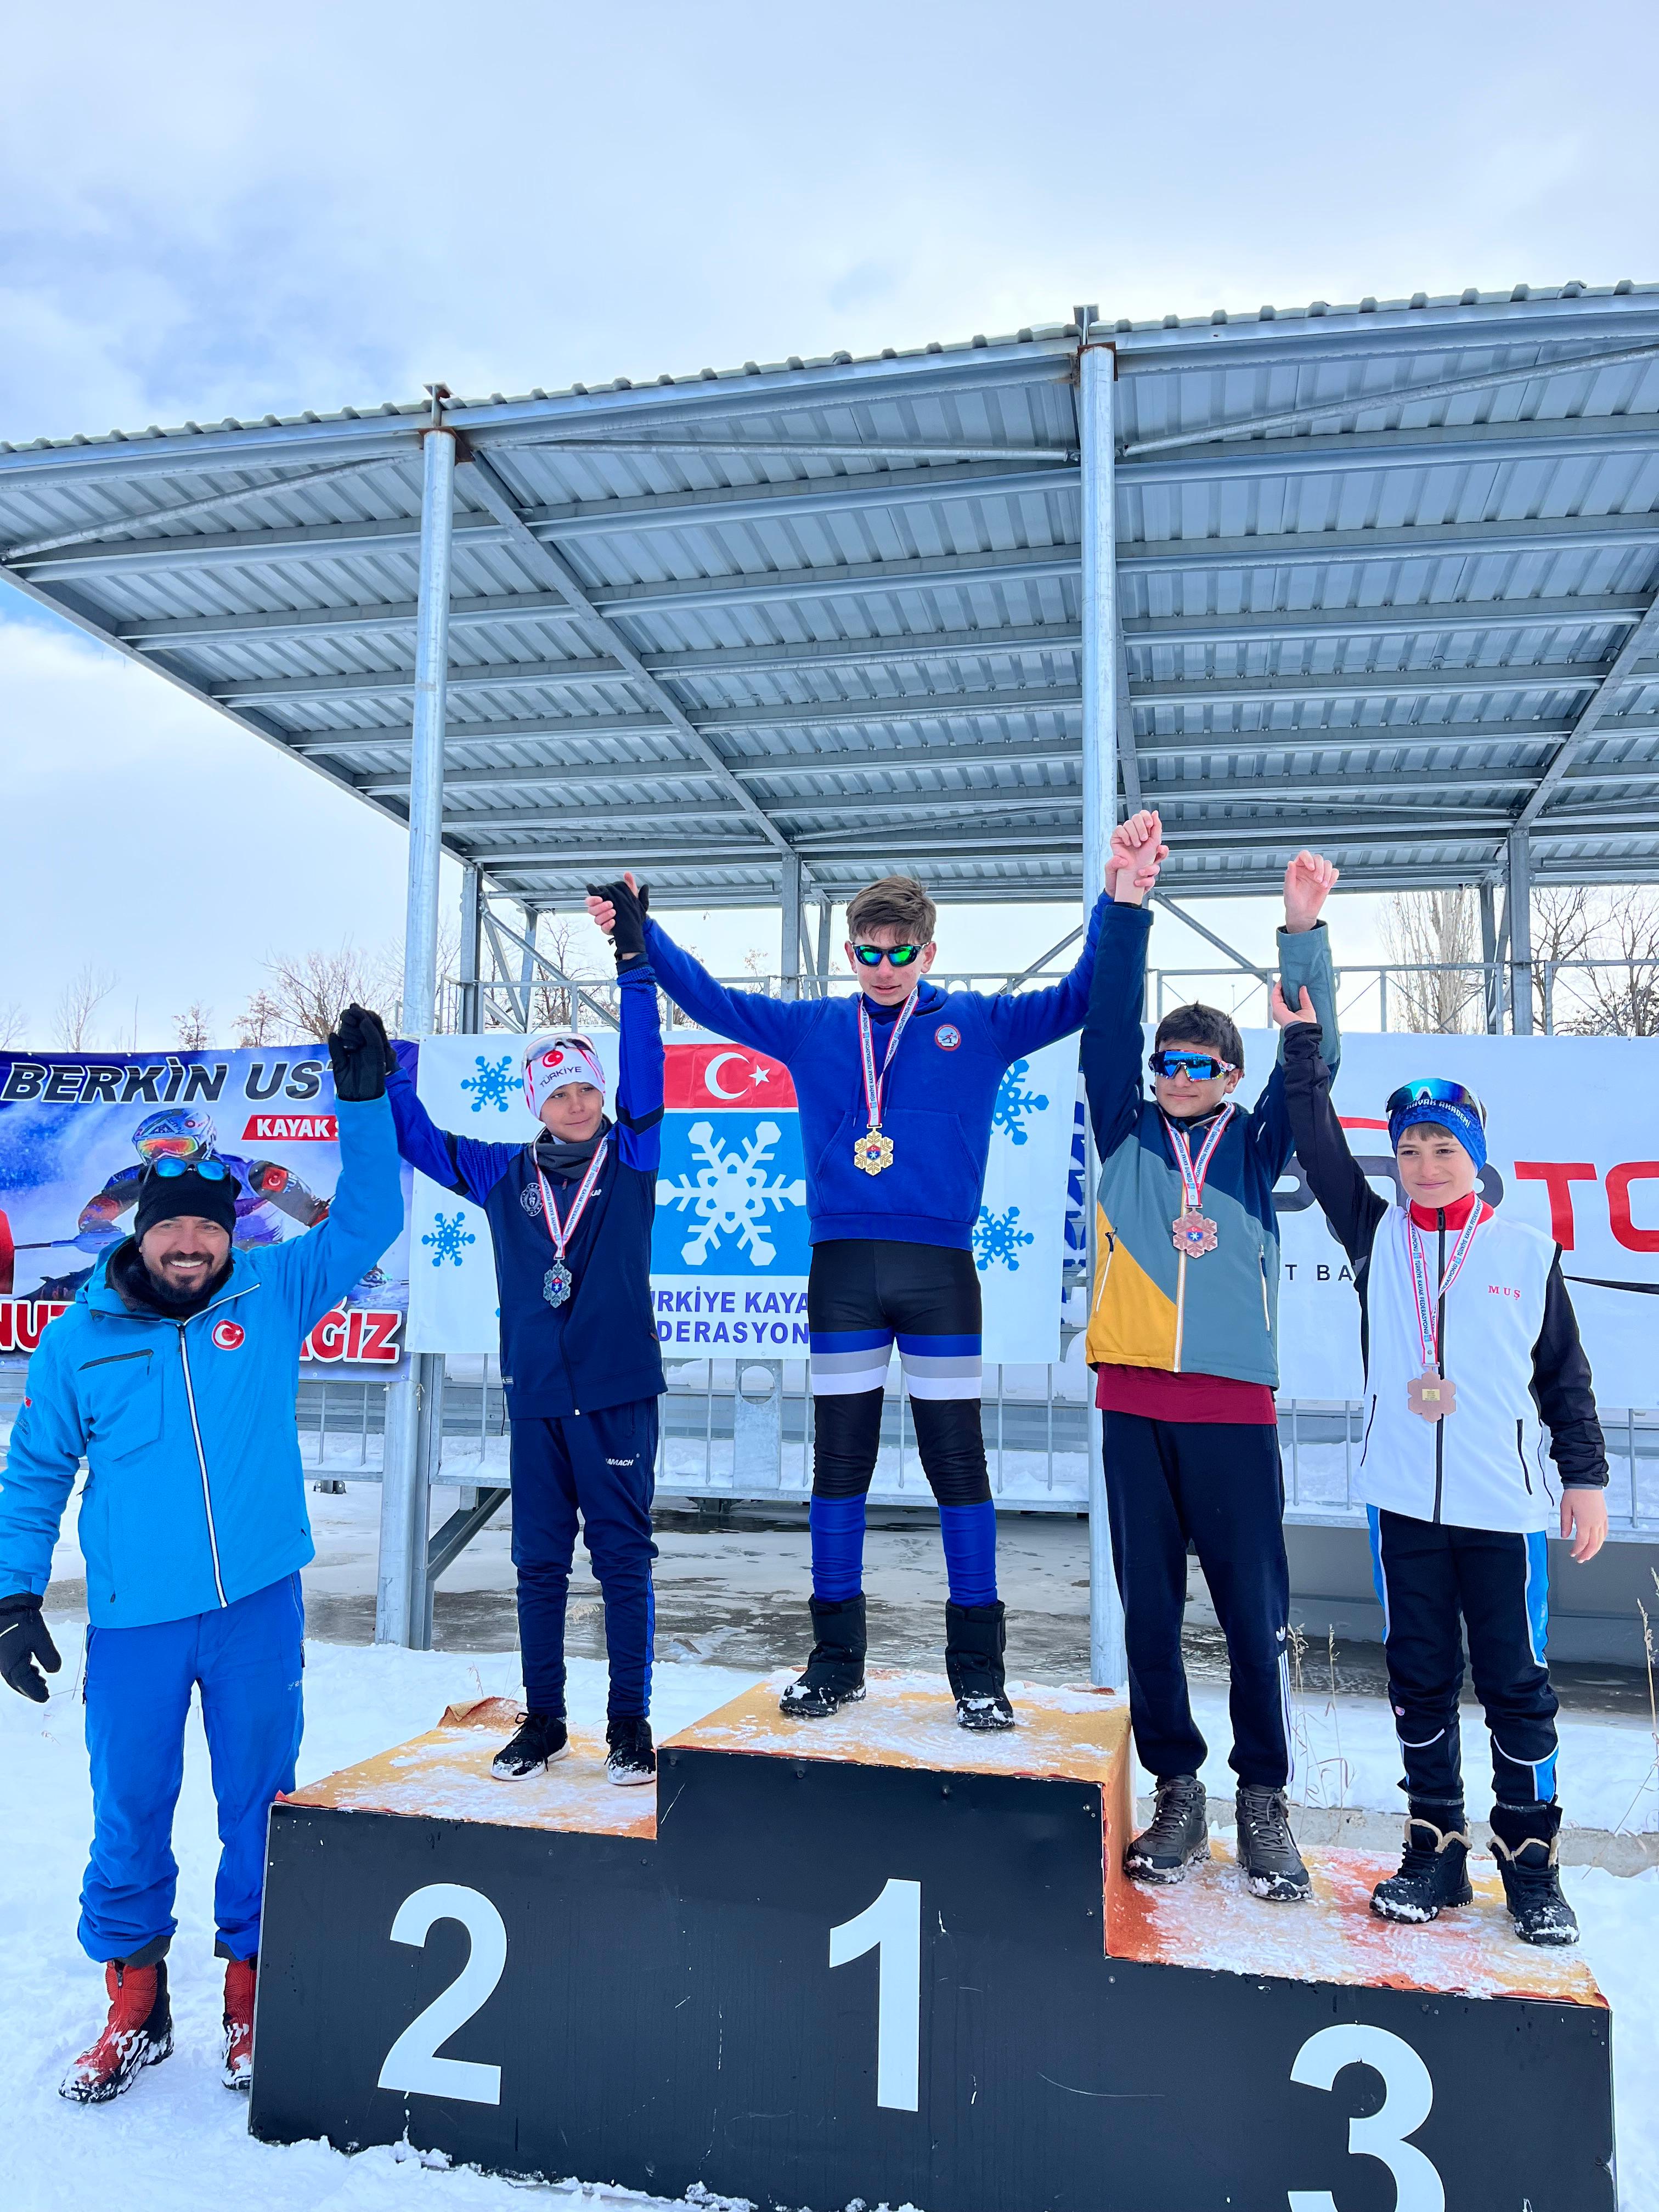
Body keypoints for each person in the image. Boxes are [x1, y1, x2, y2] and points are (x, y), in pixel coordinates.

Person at [589, 839, 1148, 1730]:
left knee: (955, 1462)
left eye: (902, 953)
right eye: (869, 952)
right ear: (850, 954)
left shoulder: (981, 1025)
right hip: (843, 1268)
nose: (885, 969)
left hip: (940, 1274)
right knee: (839, 1463)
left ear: (930, 953)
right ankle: (836, 1659)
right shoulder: (814, 1028)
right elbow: (712, 1000)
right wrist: (643, 932)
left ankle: (977, 1672)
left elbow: (1085, 996)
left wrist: (1122, 903)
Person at [0, 1009, 403, 2103]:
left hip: (255, 1607)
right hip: (134, 1621)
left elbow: (369, 1219)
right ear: (140, 1231)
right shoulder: (79, 1334)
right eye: (173, 1231)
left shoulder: (269, 1296)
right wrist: (12, 1592)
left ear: (232, 1232)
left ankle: (250, 1992)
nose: (191, 1245)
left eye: (208, 1230)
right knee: (128, 1805)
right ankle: (134, 2005)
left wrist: (363, 1108)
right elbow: (35, 1470)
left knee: (258, 1803)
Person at [1274, 989, 1609, 1944]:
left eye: (1443, 1149)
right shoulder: (1375, 1233)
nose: (1425, 1166)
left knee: (1516, 1681)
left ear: (1477, 1158)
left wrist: (1581, 1480)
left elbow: (1565, 1382)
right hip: (1401, 1508)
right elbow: (1318, 1143)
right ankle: (1435, 1847)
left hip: (1503, 1509)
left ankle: (1532, 1862)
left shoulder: (1523, 1250)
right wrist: (1303, 1044)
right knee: (1419, 1677)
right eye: (1411, 1150)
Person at [1079, 820, 1340, 1903]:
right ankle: (1176, 1790)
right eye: (1167, 1064)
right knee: (1150, 1613)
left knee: (1250, 1613)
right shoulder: (1128, 1135)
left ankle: (1264, 1802)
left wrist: (1302, 937)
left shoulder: (1258, 1143)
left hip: (1233, 1412)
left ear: (1230, 1076)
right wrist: (1127, 905)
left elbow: (1312, 1061)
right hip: (1133, 1408)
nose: (1179, 1077)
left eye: (1201, 1066)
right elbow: (1104, 1027)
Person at [381, 883, 665, 1787]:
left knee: (621, 1562)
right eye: (562, 1092)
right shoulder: (505, 1176)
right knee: (537, 1564)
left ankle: (629, 1727)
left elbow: (649, 1070)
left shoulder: (631, 1157)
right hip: (537, 1394)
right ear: (539, 1103)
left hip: (618, 1395)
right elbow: (422, 1142)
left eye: (589, 1088)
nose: (579, 1104)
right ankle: (544, 1723)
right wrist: (383, 1071)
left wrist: (634, 968)